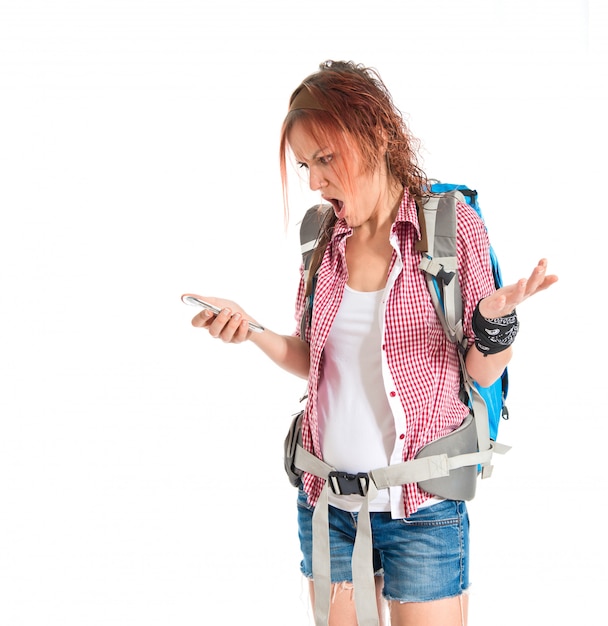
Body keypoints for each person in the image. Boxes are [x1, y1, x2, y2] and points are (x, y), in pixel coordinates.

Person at [188, 60, 558, 626]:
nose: (314, 181)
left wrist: (494, 320)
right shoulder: (320, 236)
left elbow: (480, 375)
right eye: (305, 165)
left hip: (424, 510)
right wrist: (255, 331)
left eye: (326, 159)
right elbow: (315, 360)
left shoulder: (449, 225)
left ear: (377, 133)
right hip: (326, 505)